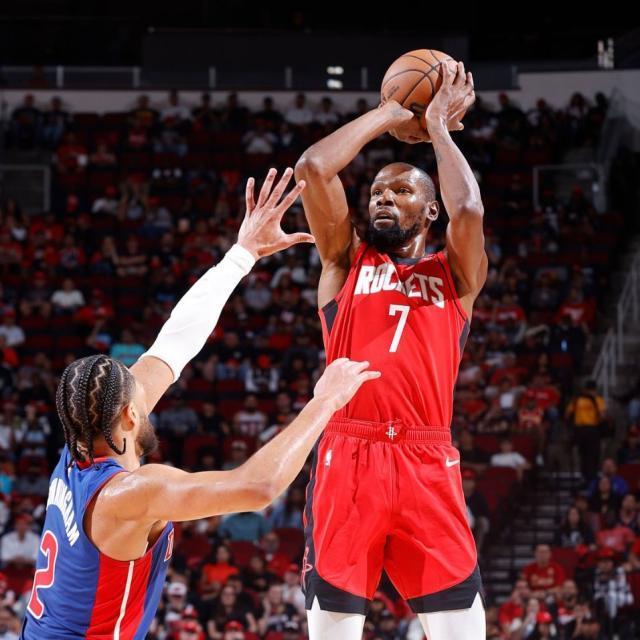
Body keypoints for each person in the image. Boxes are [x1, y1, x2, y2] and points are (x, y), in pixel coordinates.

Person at [20, 169, 380, 639]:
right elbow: (257, 487)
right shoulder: (131, 493)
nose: (147, 388)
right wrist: (325, 401)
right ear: (130, 415)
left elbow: (171, 346)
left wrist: (242, 254)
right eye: (139, 393)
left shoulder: (77, 453)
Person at [295, 61, 483, 640]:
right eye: (377, 191)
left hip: (427, 458)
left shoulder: (455, 276)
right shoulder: (345, 262)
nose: (384, 198)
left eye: (402, 191)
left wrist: (438, 128)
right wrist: (388, 113)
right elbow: (313, 168)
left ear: (429, 211)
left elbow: (469, 211)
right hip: (349, 456)